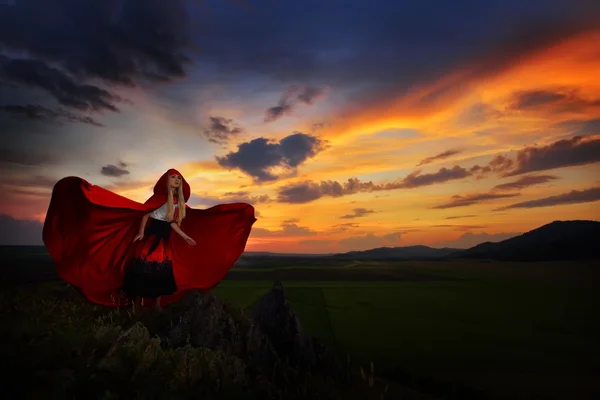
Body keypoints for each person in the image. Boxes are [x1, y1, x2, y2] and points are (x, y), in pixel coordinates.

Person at [43, 168, 256, 310]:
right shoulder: (159, 199)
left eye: (178, 178)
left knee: (158, 281)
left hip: (164, 247)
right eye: (173, 177)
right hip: (149, 246)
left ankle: (153, 313)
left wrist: (188, 235)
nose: (176, 180)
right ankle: (138, 312)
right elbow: (145, 213)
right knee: (143, 278)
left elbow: (174, 222)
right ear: (166, 181)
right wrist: (140, 232)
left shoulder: (177, 203)